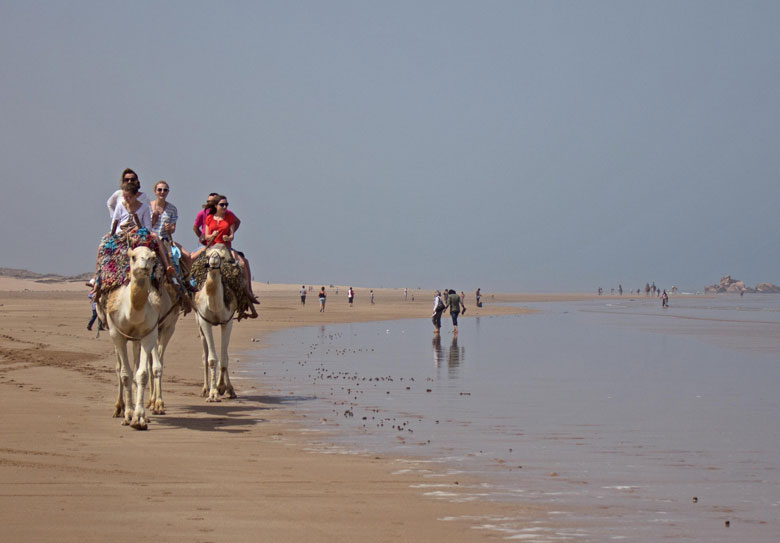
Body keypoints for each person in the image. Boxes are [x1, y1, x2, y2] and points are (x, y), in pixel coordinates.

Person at [204, 195, 258, 318]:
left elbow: (232, 235)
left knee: (242, 264)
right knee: (197, 263)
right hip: (212, 248)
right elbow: (206, 236)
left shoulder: (229, 217)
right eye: (222, 204)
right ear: (215, 206)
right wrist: (212, 236)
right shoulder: (209, 218)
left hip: (225, 248)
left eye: (226, 205)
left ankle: (248, 292)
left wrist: (227, 238)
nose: (224, 207)